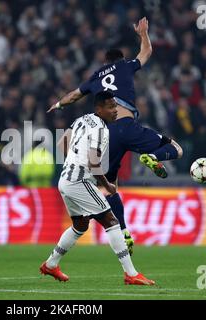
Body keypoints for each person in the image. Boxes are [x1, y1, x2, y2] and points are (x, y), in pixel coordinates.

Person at [47, 17, 183, 254]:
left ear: (104, 61)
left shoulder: (95, 77)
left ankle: (123, 230)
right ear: (120, 60)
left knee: (110, 188)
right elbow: (147, 51)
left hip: (107, 133)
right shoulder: (126, 65)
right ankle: (153, 156)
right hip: (128, 126)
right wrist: (143, 34)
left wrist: (57, 105)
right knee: (178, 149)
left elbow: (72, 97)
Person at [40, 91, 155, 286]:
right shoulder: (101, 129)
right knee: (111, 221)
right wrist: (106, 184)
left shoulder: (82, 119)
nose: (115, 111)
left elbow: (62, 143)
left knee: (80, 225)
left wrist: (74, 160)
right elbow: (94, 164)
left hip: (65, 179)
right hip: (79, 181)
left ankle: (51, 265)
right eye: (110, 107)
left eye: (115, 106)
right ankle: (131, 274)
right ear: (99, 109)